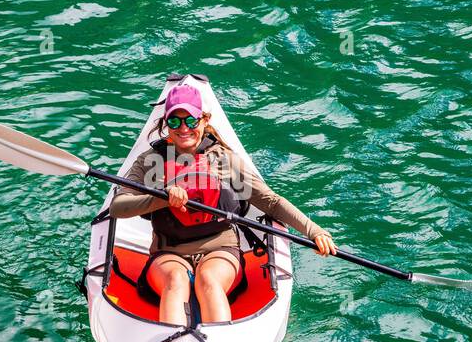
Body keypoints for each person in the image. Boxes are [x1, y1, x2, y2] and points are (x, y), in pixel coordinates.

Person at [109, 83, 337, 326]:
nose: (183, 128)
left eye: (191, 121)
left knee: (209, 280)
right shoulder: (150, 161)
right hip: (170, 251)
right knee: (176, 280)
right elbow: (118, 206)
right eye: (175, 122)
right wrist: (161, 198)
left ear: (204, 120)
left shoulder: (224, 160)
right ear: (166, 124)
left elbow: (270, 202)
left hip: (220, 249)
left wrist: (314, 231)